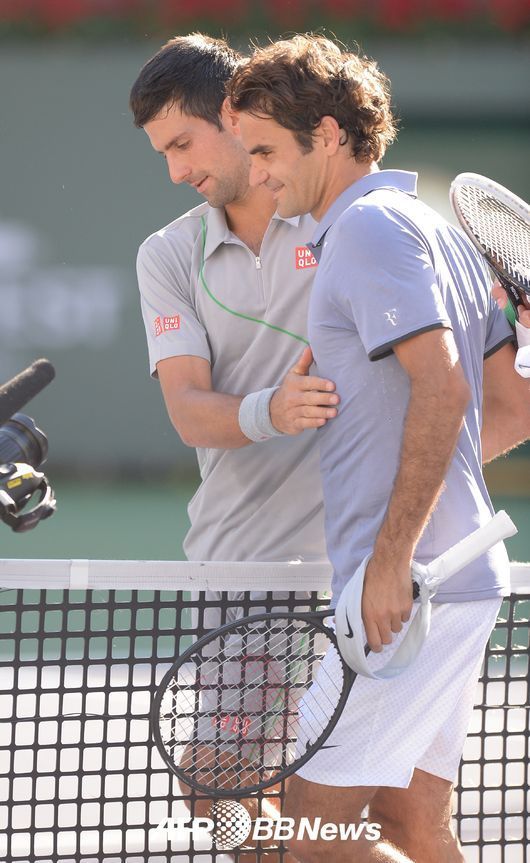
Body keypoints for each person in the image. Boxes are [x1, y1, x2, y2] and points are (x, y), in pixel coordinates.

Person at [228, 34, 530, 863]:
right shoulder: (433, 229)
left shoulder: (366, 229)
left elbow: (445, 391)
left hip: (410, 591)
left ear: (327, 135)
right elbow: (510, 409)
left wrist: (392, 559)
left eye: (266, 150)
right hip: (456, 577)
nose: (257, 173)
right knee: (413, 827)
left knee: (309, 837)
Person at [129, 33, 337, 862]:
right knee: (222, 792)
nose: (175, 170)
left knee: (371, 815)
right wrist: (272, 411)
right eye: (162, 154)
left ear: (233, 115)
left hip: (361, 564)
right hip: (239, 570)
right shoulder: (166, 254)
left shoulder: (336, 218)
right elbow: (187, 408)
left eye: (183, 143)